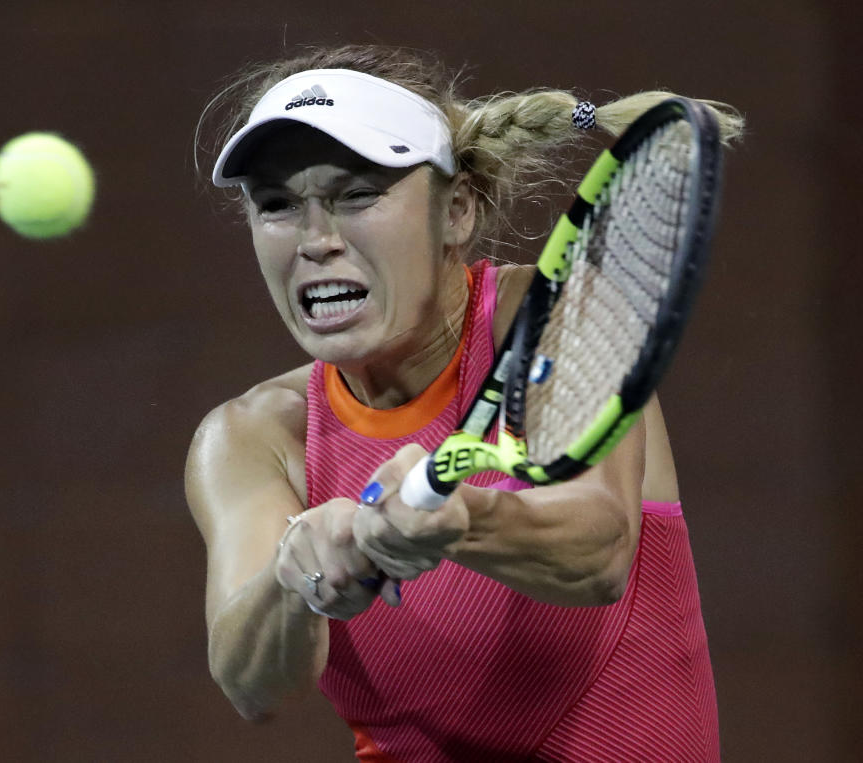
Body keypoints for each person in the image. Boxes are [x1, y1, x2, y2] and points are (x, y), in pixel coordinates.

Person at [186, 45, 743, 762]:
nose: (316, 240)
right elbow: (253, 683)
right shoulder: (251, 436)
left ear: (458, 211)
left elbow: (596, 550)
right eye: (278, 205)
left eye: (357, 194)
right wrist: (296, 576)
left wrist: (461, 519)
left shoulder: (549, 318)